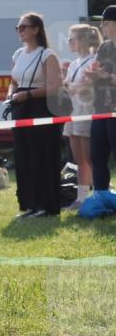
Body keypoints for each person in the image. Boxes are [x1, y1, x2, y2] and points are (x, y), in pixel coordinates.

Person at [5, 12, 63, 217]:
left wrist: (28, 94)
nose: (20, 31)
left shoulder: (47, 55)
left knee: (41, 156)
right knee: (23, 156)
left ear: (36, 29)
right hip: (20, 109)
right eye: (18, 28)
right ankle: (29, 203)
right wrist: (11, 96)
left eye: (24, 27)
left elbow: (55, 87)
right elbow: (13, 82)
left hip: (41, 108)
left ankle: (46, 205)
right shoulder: (18, 54)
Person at [61, 24, 102, 208]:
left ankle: (100, 192)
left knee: (90, 157)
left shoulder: (94, 60)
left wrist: (69, 86)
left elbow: (82, 88)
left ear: (84, 41)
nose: (69, 42)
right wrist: (67, 83)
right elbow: (69, 88)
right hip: (73, 112)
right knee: (78, 158)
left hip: (87, 112)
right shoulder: (74, 64)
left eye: (72, 39)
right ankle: (82, 197)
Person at [85, 5, 116, 194]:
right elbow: (96, 70)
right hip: (101, 108)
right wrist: (91, 74)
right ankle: (101, 195)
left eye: (105, 23)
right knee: (97, 155)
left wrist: (107, 76)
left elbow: (107, 75)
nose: (102, 27)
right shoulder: (104, 46)